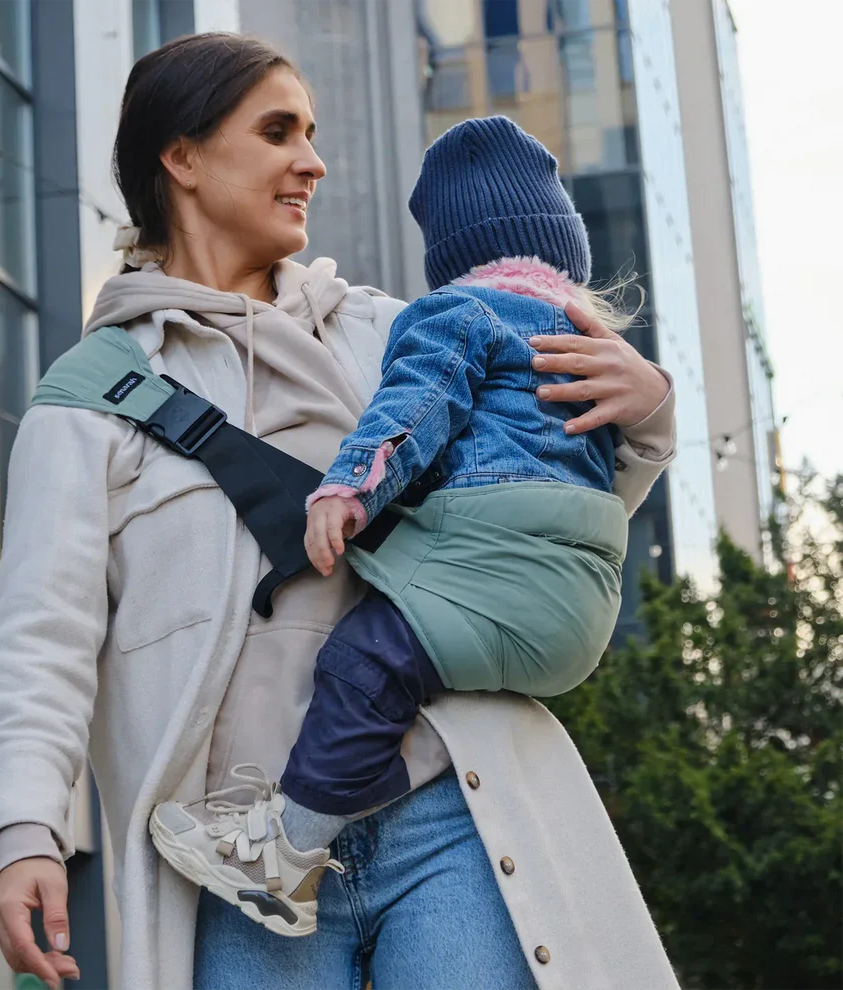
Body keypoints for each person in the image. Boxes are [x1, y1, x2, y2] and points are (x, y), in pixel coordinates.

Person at [0, 33, 681, 990]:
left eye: (311, 134)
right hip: (239, 859)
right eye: (278, 133)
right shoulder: (88, 399)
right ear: (181, 157)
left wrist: (645, 419)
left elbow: (529, 530)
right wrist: (26, 829)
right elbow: (40, 637)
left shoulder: (399, 333)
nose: (312, 161)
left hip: (449, 812)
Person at [148, 116, 634, 936]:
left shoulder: (457, 312)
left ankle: (286, 852)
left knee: (364, 665)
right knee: (411, 671)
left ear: (451, 250)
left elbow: (413, 411)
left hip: (486, 569)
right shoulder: (589, 343)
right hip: (579, 620)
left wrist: (348, 490)